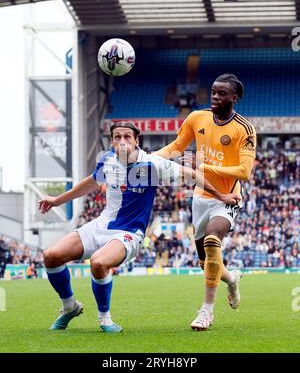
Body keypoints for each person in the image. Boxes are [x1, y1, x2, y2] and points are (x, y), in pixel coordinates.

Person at [38, 121, 239, 333]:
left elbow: (193, 175)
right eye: (117, 137)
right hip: (101, 225)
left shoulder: (153, 164)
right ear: (112, 141)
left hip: (129, 232)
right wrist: (57, 200)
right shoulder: (107, 161)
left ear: (136, 140)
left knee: (98, 262)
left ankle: (104, 318)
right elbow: (91, 182)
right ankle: (69, 307)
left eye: (127, 137)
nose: (122, 141)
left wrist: (221, 195)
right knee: (51, 256)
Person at [156, 74, 257, 330]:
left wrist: (204, 165)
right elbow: (177, 146)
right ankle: (232, 279)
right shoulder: (196, 118)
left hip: (228, 198)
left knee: (213, 241)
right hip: (201, 197)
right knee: (206, 262)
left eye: (222, 93)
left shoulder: (244, 129)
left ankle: (206, 311)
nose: (215, 97)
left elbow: (244, 172)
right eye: (213, 92)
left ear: (234, 98)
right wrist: (147, 157)